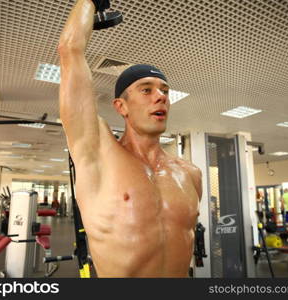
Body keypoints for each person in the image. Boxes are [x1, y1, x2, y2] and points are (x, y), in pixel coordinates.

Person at [58, 0, 202, 277]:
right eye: (146, 90)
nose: (161, 96)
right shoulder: (97, 156)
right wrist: (90, 3)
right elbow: (69, 49)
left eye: (164, 91)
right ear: (121, 107)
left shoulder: (190, 173)